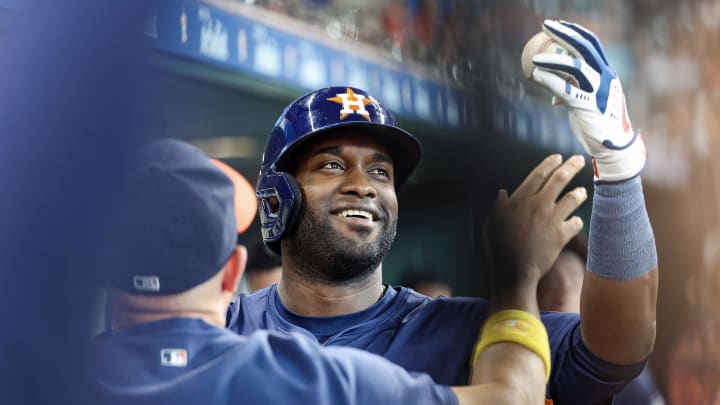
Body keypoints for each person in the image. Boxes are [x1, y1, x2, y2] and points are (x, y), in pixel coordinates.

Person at [229, 19, 658, 404]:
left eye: (381, 171)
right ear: (275, 198)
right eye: (332, 165)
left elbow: (618, 349)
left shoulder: (462, 328)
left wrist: (618, 169)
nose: (363, 185)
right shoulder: (223, 327)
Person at [90, 138, 553, 404]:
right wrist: (517, 279)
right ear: (233, 273)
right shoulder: (303, 378)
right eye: (331, 166)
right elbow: (512, 398)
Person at [537, 234, 665, 404]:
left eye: (574, 281)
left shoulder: (627, 376)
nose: (562, 296)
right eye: (550, 288)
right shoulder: (522, 368)